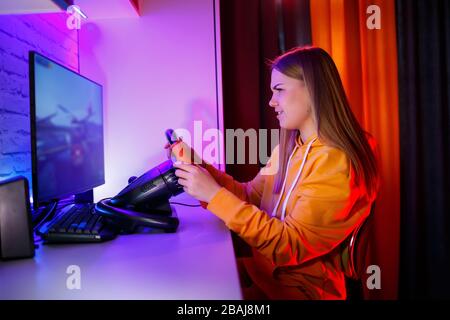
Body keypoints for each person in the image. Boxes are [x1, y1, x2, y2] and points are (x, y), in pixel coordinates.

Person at [167, 46, 379, 300]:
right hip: (266, 279)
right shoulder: (290, 147)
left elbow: (288, 245)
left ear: (313, 89)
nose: (271, 101)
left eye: (279, 90)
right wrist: (200, 165)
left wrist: (213, 195)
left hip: (300, 293)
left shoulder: (337, 162)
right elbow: (249, 196)